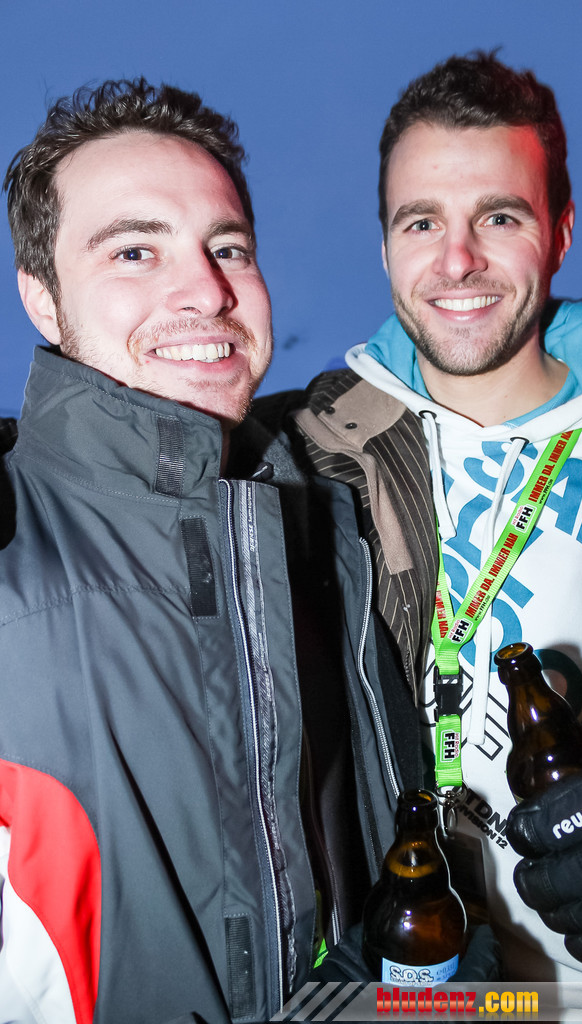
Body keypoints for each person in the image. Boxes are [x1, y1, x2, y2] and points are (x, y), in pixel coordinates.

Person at [0, 78, 427, 1024]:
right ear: (41, 297)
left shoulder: (331, 534)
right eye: (135, 250)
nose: (206, 290)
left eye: (228, 247)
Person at [273, 52, 582, 1017]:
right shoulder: (303, 452)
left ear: (561, 231)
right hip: (420, 995)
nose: (457, 261)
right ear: (384, 247)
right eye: (421, 222)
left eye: (499, 217)